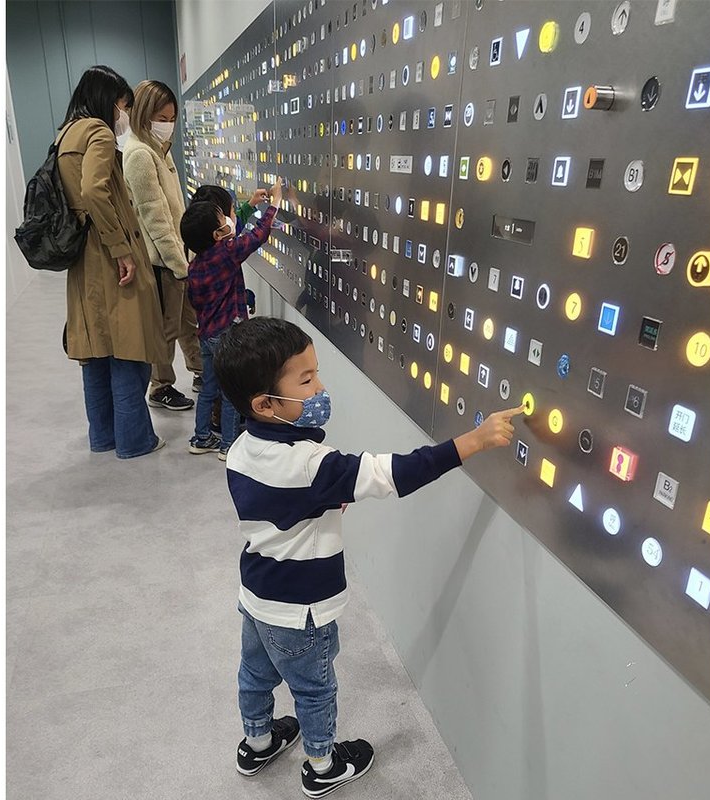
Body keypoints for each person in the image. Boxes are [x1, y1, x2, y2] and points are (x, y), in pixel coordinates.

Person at [212, 316, 523, 797]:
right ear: (265, 404)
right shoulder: (312, 466)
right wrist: (475, 440)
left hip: (256, 596)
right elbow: (396, 473)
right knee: (314, 687)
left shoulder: (239, 450)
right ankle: (322, 765)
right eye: (307, 380)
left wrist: (320, 500)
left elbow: (280, 504)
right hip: (302, 610)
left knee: (254, 672)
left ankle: (257, 742)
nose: (320, 387)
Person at [55, 65, 166, 458]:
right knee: (129, 348)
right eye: (123, 104)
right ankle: (135, 440)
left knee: (97, 352)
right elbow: (94, 190)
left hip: (83, 258)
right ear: (109, 100)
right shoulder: (99, 133)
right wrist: (121, 249)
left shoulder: (66, 133)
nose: (124, 114)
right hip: (108, 253)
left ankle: (103, 438)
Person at [179, 178, 283, 460]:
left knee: (208, 389)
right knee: (230, 394)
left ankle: (201, 438)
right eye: (223, 217)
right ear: (217, 233)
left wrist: (250, 205)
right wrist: (275, 203)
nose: (229, 218)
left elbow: (196, 300)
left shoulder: (196, 264)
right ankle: (228, 444)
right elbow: (257, 236)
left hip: (206, 335)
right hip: (227, 336)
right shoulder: (226, 253)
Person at [122, 79, 202, 412]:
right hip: (162, 260)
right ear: (144, 114)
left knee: (187, 320)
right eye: (161, 118)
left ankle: (200, 370)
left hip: (178, 254)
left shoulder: (158, 150)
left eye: (171, 119)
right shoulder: (140, 154)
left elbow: (174, 210)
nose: (167, 125)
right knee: (166, 328)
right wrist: (178, 264)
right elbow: (154, 217)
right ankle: (160, 386)